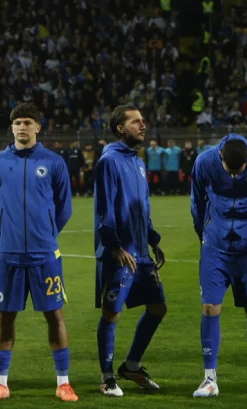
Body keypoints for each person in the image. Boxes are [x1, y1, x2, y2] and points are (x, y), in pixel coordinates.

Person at [0, 104, 78, 402]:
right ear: (11, 128)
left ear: (38, 127)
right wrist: (10, 231)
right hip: (8, 254)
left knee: (55, 316)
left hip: (45, 254)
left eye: (28, 122)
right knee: (5, 317)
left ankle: (63, 382)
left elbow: (64, 208)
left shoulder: (54, 162)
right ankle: (0, 383)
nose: (22, 127)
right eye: (17, 122)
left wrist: (45, 233)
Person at [189, 134, 247, 399]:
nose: (235, 175)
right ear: (221, 158)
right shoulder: (204, 162)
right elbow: (197, 202)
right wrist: (203, 235)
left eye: (240, 170)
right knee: (209, 307)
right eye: (230, 170)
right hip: (215, 249)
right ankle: (209, 379)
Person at [94, 105, 167, 397]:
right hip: (120, 253)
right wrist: (114, 247)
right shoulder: (109, 161)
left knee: (158, 308)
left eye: (144, 121)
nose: (143, 125)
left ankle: (132, 365)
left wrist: (153, 239)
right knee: (112, 314)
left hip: (141, 252)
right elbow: (104, 209)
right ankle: (107, 376)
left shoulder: (137, 161)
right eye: (136, 122)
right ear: (120, 128)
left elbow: (143, 207)